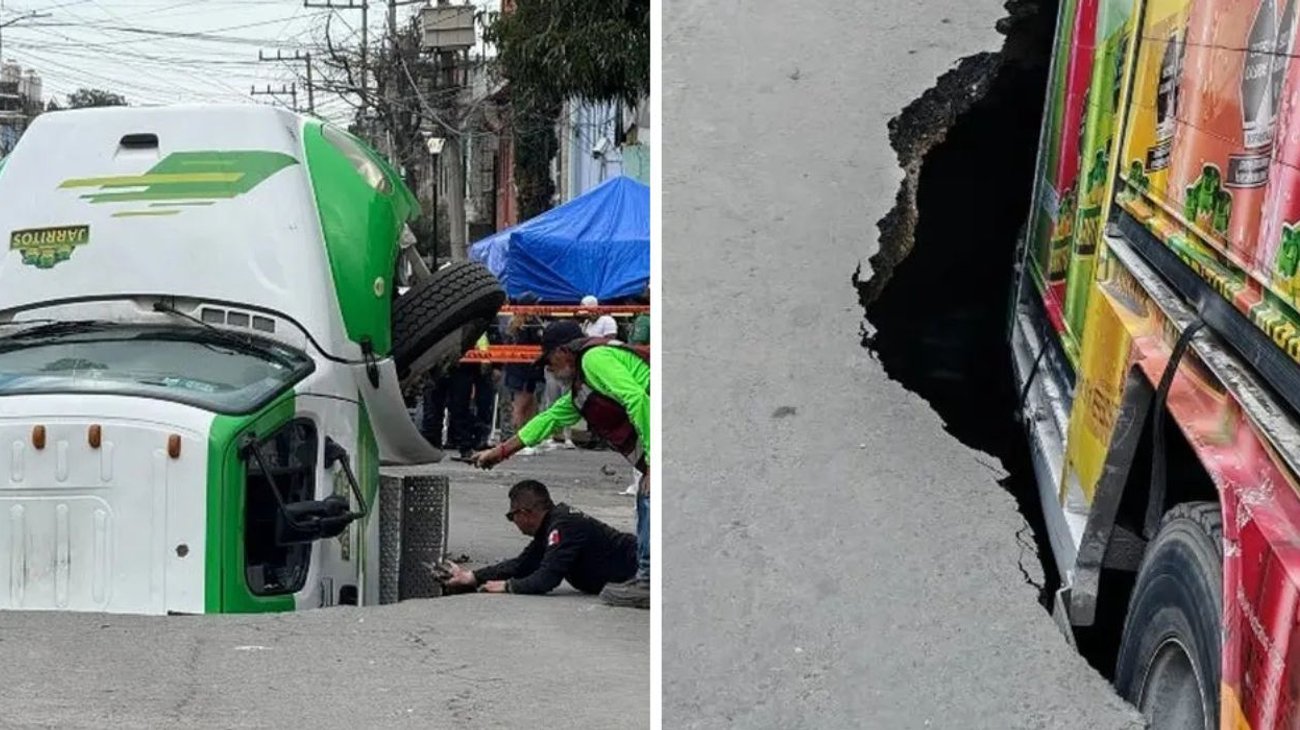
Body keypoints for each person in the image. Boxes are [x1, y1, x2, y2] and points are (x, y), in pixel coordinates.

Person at [472, 320, 650, 609]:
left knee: (648, 498)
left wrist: (653, 463)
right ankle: (648, 575)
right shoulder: (582, 390)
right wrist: (500, 452)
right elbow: (549, 419)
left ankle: (649, 581)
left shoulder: (594, 359)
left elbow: (637, 398)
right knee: (647, 500)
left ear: (564, 351)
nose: (549, 369)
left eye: (549, 361)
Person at [442, 479, 637, 596]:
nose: (513, 522)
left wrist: (509, 586)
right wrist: (473, 577)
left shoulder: (563, 526)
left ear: (524, 513)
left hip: (639, 569)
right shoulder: (554, 523)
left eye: (511, 516)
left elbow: (546, 579)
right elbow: (523, 564)